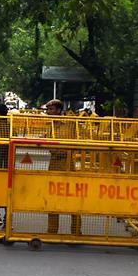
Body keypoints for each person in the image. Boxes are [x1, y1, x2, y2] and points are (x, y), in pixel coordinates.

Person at [43, 99, 82, 236]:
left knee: (73, 198)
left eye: (51, 110)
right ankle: (52, 231)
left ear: (59, 111)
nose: (48, 112)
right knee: (53, 197)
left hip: (67, 164)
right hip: (53, 163)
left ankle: (76, 231)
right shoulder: (50, 126)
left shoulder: (70, 124)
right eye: (47, 110)